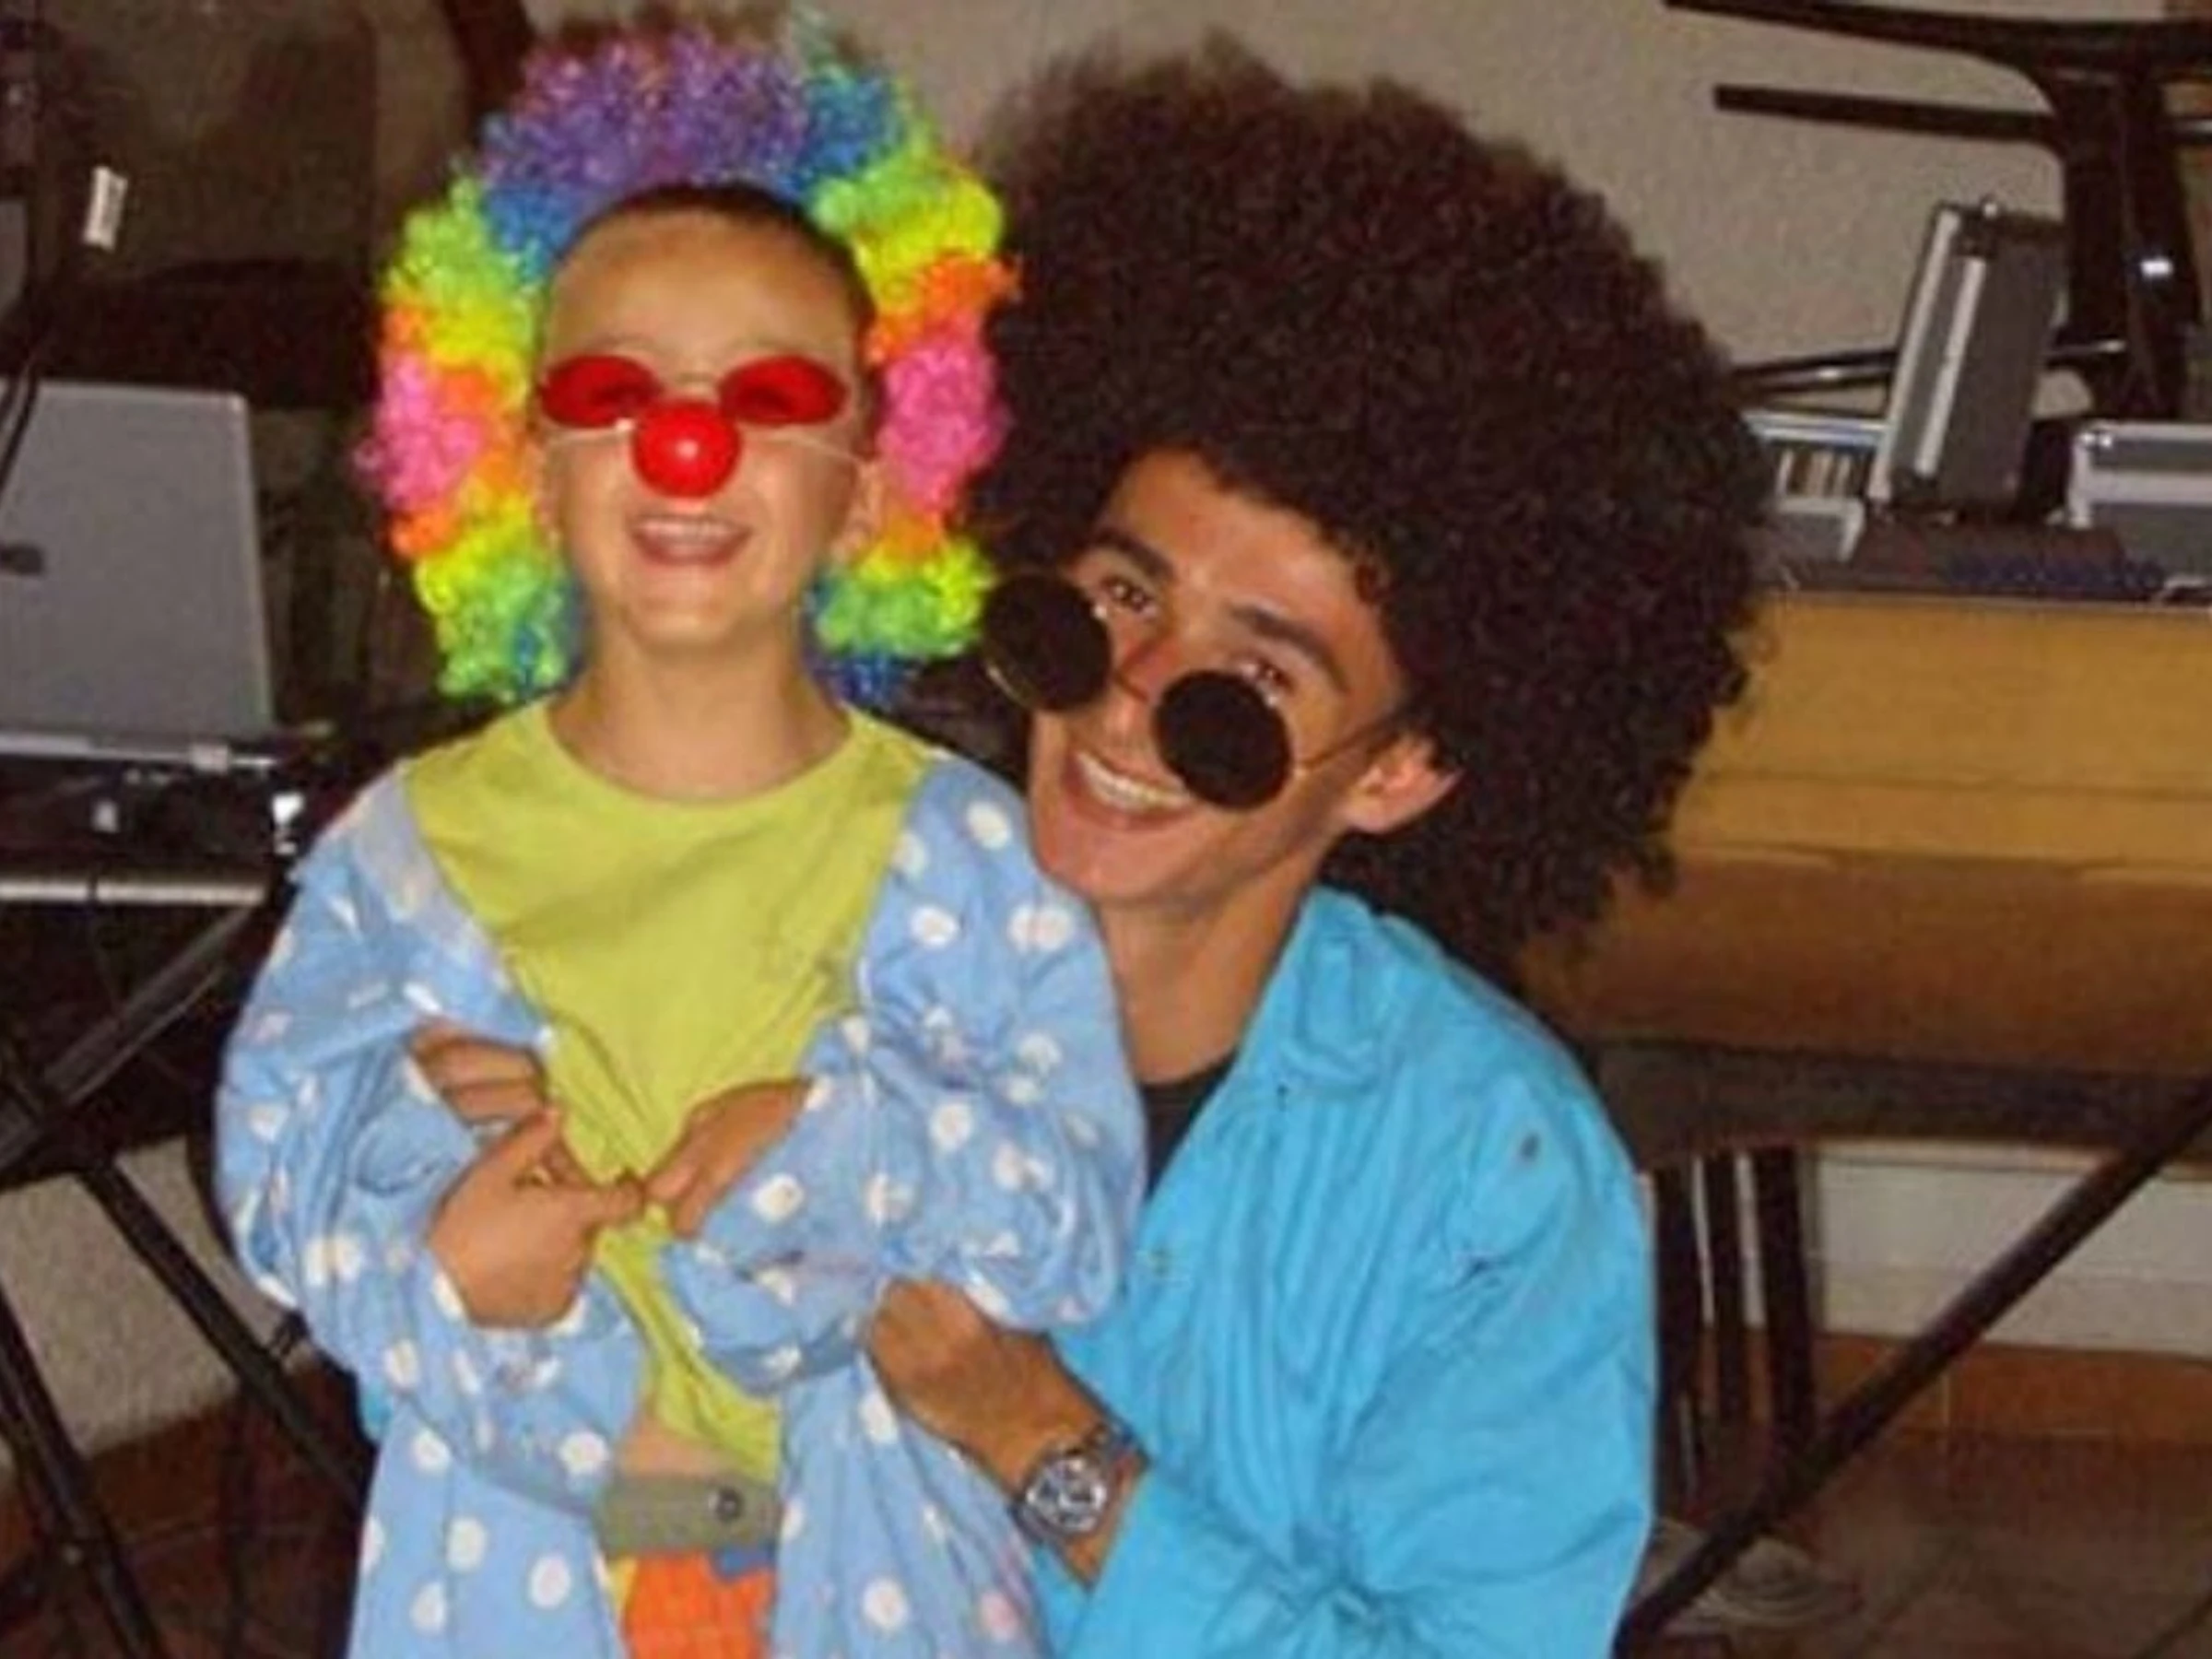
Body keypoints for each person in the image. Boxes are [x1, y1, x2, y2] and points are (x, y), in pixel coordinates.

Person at [213, 16, 1142, 1659]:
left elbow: (1077, 1218)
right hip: (512, 1577)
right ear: (528, 470)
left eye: (768, 396)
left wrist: (861, 1138)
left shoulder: (960, 857)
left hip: (880, 1579)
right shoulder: (406, 855)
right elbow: (283, 1160)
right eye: (612, 391)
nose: (684, 442)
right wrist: (440, 1248)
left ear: (870, 486)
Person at [862, 41, 1767, 1658]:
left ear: (1400, 772)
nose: (1136, 696)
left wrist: (1046, 1445)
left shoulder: (1485, 1174)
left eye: (1255, 683)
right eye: (1120, 598)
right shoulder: (838, 970)